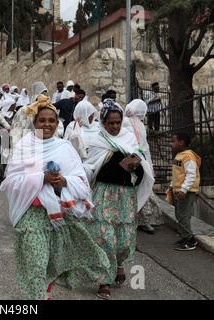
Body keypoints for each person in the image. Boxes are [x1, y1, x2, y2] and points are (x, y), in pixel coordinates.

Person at [1, 98, 109, 300]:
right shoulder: (24, 147)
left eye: (52, 120)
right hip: (31, 215)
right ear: (35, 123)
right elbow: (9, 182)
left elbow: (81, 181)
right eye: (42, 120)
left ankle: (45, 294)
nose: (47, 124)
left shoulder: (65, 148)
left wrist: (63, 182)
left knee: (52, 263)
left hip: (60, 218)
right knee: (35, 266)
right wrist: (41, 178)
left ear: (58, 122)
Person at [83, 99, 154, 300]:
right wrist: (118, 164)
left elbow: (142, 172)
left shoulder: (130, 138)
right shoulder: (97, 140)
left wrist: (136, 166)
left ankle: (119, 264)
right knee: (103, 235)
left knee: (123, 238)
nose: (114, 126)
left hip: (125, 197)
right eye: (110, 123)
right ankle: (104, 280)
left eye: (117, 122)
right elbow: (93, 168)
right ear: (103, 122)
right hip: (104, 194)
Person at [124, 99, 164, 234]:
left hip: (140, 160)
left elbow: (143, 145)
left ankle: (143, 220)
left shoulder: (139, 124)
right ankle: (132, 219)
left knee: (142, 189)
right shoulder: (125, 122)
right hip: (130, 159)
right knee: (131, 190)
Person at [169, 132, 201, 251]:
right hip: (178, 190)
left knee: (183, 216)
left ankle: (190, 240)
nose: (171, 144)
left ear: (181, 142)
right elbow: (178, 174)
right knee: (179, 214)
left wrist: (183, 190)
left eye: (173, 141)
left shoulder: (188, 156)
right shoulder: (179, 155)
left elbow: (191, 175)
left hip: (185, 192)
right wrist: (172, 186)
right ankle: (185, 237)